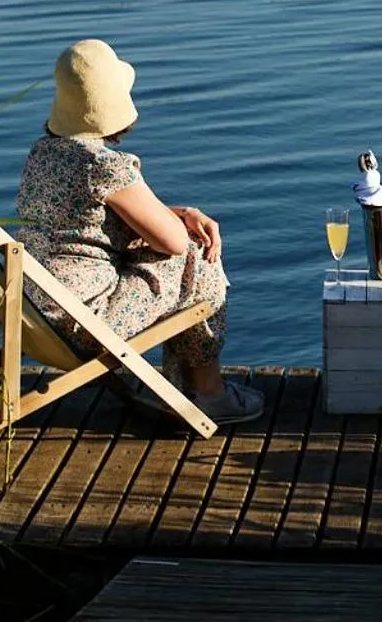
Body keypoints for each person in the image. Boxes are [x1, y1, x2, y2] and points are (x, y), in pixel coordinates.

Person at [15, 38, 263, 427]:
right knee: (195, 256)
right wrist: (186, 222)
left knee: (180, 258)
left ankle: (189, 388)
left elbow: (90, 221)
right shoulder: (103, 165)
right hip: (86, 323)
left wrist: (177, 212)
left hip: (36, 313)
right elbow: (175, 242)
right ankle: (208, 393)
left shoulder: (43, 153)